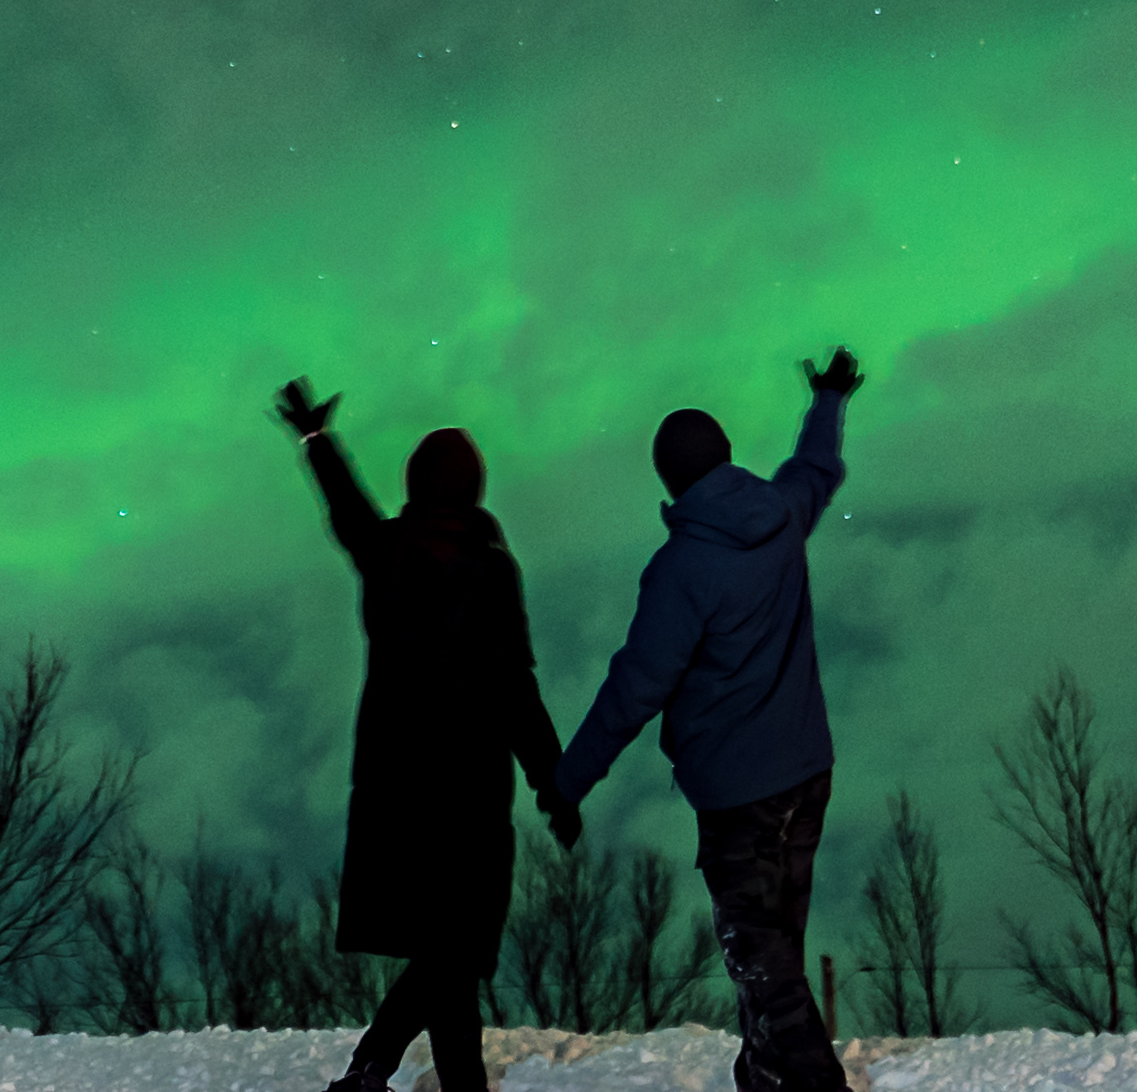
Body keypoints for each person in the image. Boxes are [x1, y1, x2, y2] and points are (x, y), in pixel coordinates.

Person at [552, 347, 863, 1092]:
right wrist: (828, 399)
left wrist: (568, 780)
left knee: (765, 967)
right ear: (725, 457)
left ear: (667, 479)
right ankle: (760, 1079)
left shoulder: (684, 566)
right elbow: (813, 469)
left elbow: (636, 685)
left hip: (737, 798)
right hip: (807, 775)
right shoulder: (779, 516)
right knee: (777, 947)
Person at [276, 375, 579, 1092]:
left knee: (448, 954)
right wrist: (554, 784)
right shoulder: (492, 569)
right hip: (469, 792)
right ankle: (384, 1068)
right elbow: (516, 688)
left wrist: (316, 440)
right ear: (475, 488)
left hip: (395, 789)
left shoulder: (388, 553)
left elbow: (344, 507)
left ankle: (375, 1068)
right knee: (454, 950)